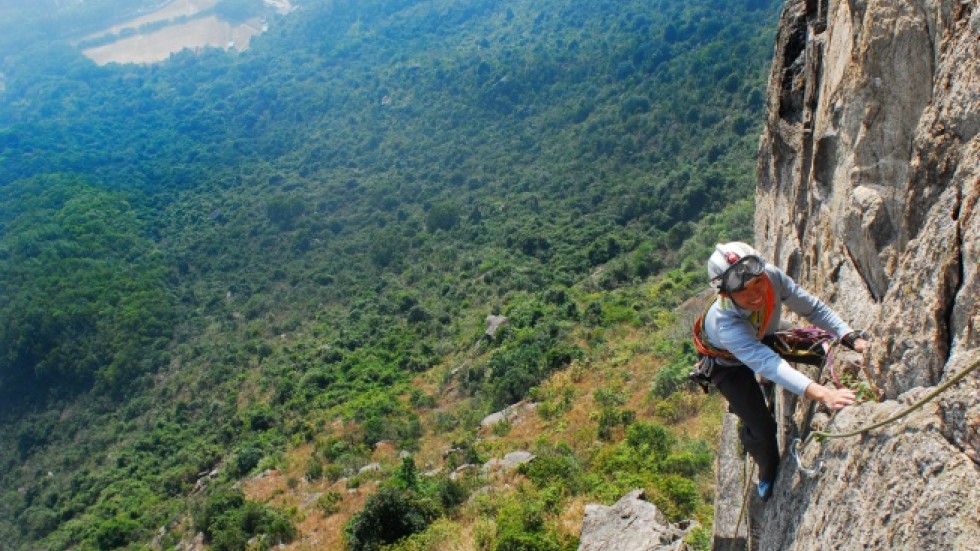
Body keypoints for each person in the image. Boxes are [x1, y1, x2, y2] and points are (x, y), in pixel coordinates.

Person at [691, 242, 868, 501]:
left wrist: (848, 335)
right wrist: (823, 394)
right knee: (762, 428)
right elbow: (769, 364)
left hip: (762, 333)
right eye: (744, 291)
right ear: (726, 295)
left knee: (825, 346)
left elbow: (812, 308)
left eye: (757, 283)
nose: (756, 294)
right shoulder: (725, 324)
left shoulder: (771, 276)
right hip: (726, 364)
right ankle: (767, 470)